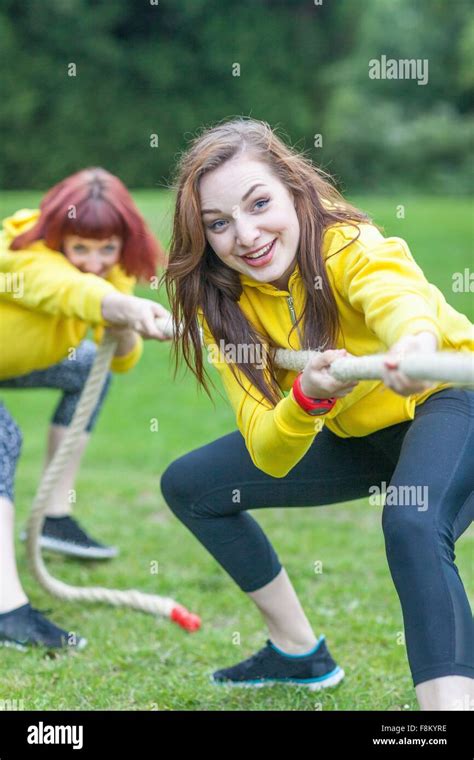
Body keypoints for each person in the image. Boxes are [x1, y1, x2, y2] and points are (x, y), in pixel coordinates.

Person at [160, 118, 474, 710]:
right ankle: (299, 652)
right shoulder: (225, 304)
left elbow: (394, 292)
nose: (247, 235)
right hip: (365, 432)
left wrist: (412, 344)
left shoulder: (345, 242)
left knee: (412, 524)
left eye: (259, 204)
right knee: (192, 485)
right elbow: (268, 450)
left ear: (295, 191)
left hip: (451, 404)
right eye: (219, 224)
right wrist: (305, 399)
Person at [0, 167, 171, 649]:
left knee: (84, 368)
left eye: (106, 250)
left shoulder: (112, 275)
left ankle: (56, 515)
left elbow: (119, 359)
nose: (93, 263)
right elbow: (64, 290)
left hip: (12, 360)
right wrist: (115, 304)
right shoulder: (22, 252)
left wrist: (129, 321)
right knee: (5, 440)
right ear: (58, 238)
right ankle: (6, 609)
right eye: (80, 249)